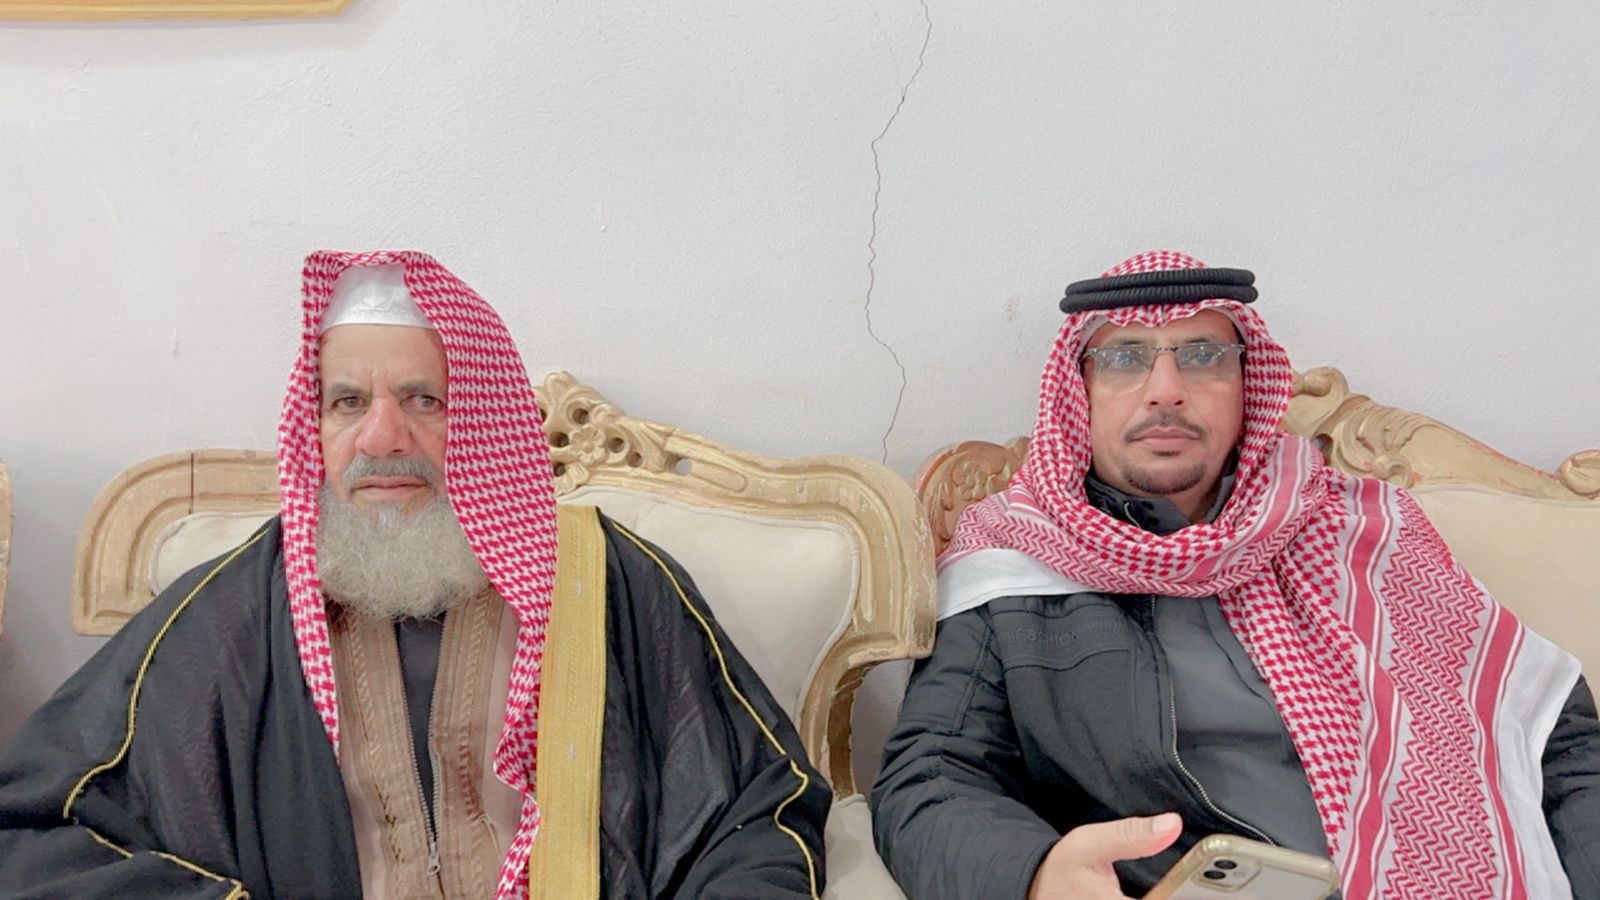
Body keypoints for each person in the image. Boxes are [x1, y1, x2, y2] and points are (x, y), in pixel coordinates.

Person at [0, 250, 828, 899]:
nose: (382, 437)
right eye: (348, 403)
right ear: (316, 427)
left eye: (423, 400)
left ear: (483, 420)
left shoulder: (605, 582)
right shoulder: (226, 616)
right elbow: (39, 830)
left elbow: (763, 807)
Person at [871, 250, 1600, 899]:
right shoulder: (1013, 564)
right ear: (1079, 389)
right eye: (1124, 358)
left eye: (1201, 355)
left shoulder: (1357, 528)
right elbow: (931, 777)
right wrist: (1033, 875)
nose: (1165, 389)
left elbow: (1549, 739)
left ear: (1247, 383)